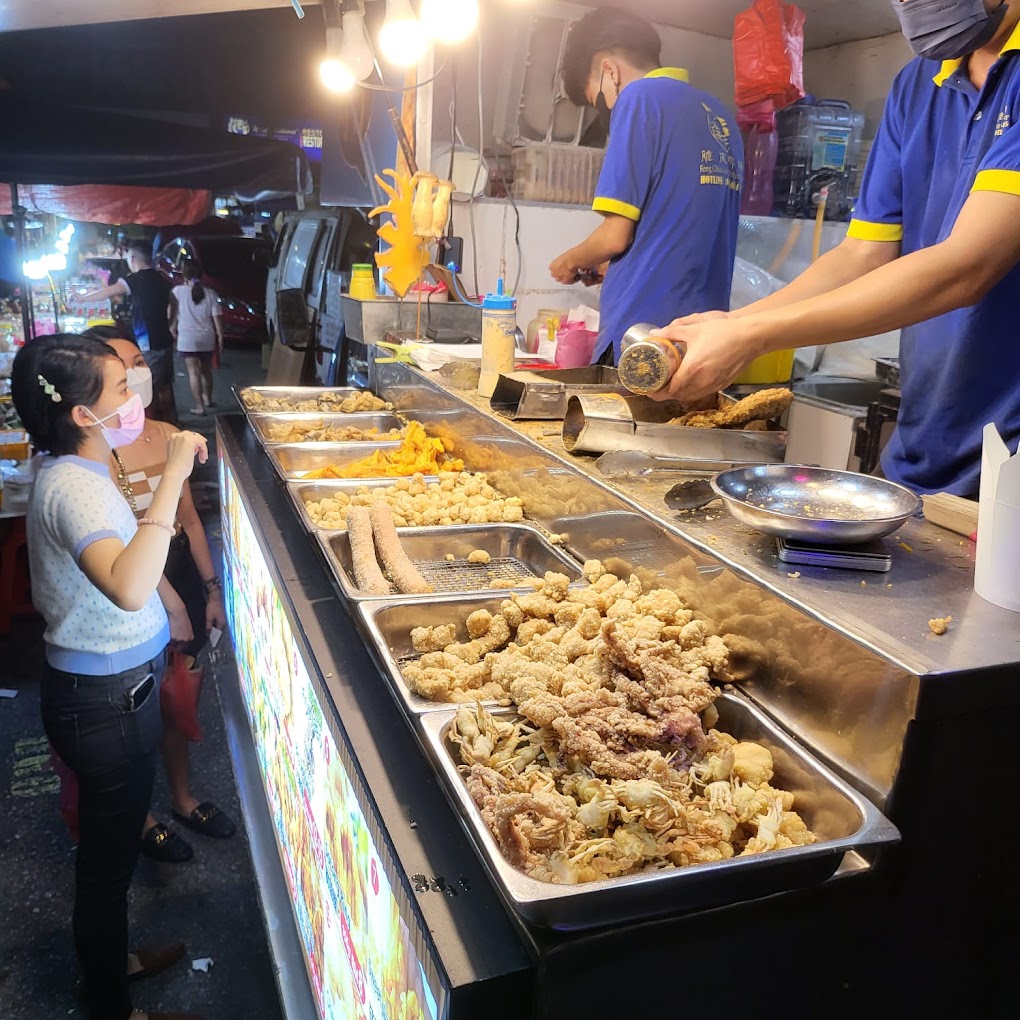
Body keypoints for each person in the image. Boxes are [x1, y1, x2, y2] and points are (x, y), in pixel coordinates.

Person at [651, 0, 1020, 497]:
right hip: (929, 439)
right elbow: (862, 254)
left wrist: (754, 336)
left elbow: (967, 267)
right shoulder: (917, 85)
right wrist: (733, 324)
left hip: (1010, 458)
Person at [12, 333, 206, 1020]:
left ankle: (108, 965)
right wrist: (177, 473)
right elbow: (129, 584)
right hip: (103, 704)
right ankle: (110, 1004)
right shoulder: (75, 488)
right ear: (81, 416)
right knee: (105, 866)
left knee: (111, 852)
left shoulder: (85, 468)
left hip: (114, 692)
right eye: (121, 389)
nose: (136, 398)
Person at [87, 329, 235, 864]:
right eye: (123, 371)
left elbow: (192, 522)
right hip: (138, 583)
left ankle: (182, 797)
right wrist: (171, 604)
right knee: (136, 716)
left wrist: (210, 592)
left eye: (139, 363)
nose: (137, 376)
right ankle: (141, 815)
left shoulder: (170, 434)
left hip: (182, 577)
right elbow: (128, 541)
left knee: (181, 701)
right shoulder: (98, 453)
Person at [548, 7, 743, 365]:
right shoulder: (718, 115)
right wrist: (615, 266)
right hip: (701, 340)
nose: (607, 109)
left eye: (600, 99)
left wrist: (568, 261)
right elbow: (679, 229)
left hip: (641, 336)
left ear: (610, 71)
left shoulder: (639, 99)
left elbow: (614, 236)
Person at [81, 241, 178, 426]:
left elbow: (109, 292)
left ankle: (156, 426)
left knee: (148, 387)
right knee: (165, 385)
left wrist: (82, 298)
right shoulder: (162, 278)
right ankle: (171, 422)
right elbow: (175, 303)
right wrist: (171, 323)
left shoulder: (137, 279)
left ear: (133, 258)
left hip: (148, 342)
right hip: (164, 339)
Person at [169, 261, 223, 417]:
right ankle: (208, 399)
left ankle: (200, 407)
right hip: (206, 338)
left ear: (184, 274)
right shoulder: (211, 294)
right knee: (207, 371)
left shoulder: (177, 291)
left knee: (193, 373)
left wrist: (172, 329)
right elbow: (217, 318)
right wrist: (220, 336)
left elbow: (171, 314)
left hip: (187, 339)